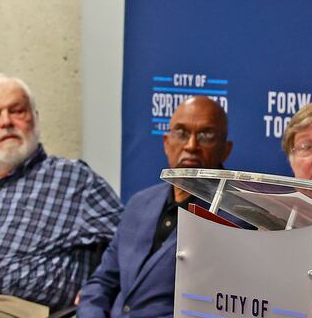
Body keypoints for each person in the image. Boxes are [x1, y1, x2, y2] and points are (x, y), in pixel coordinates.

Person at [0, 73, 122, 317]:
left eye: (17, 111)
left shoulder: (75, 181)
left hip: (7, 309)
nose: (6, 122)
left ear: (35, 118)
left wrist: (99, 289)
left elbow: (133, 245)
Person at [77, 96, 233, 318]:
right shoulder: (139, 203)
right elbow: (102, 281)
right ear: (166, 143)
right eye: (181, 133)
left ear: (225, 150)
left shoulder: (236, 219)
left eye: (206, 135)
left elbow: (220, 309)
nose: (191, 146)